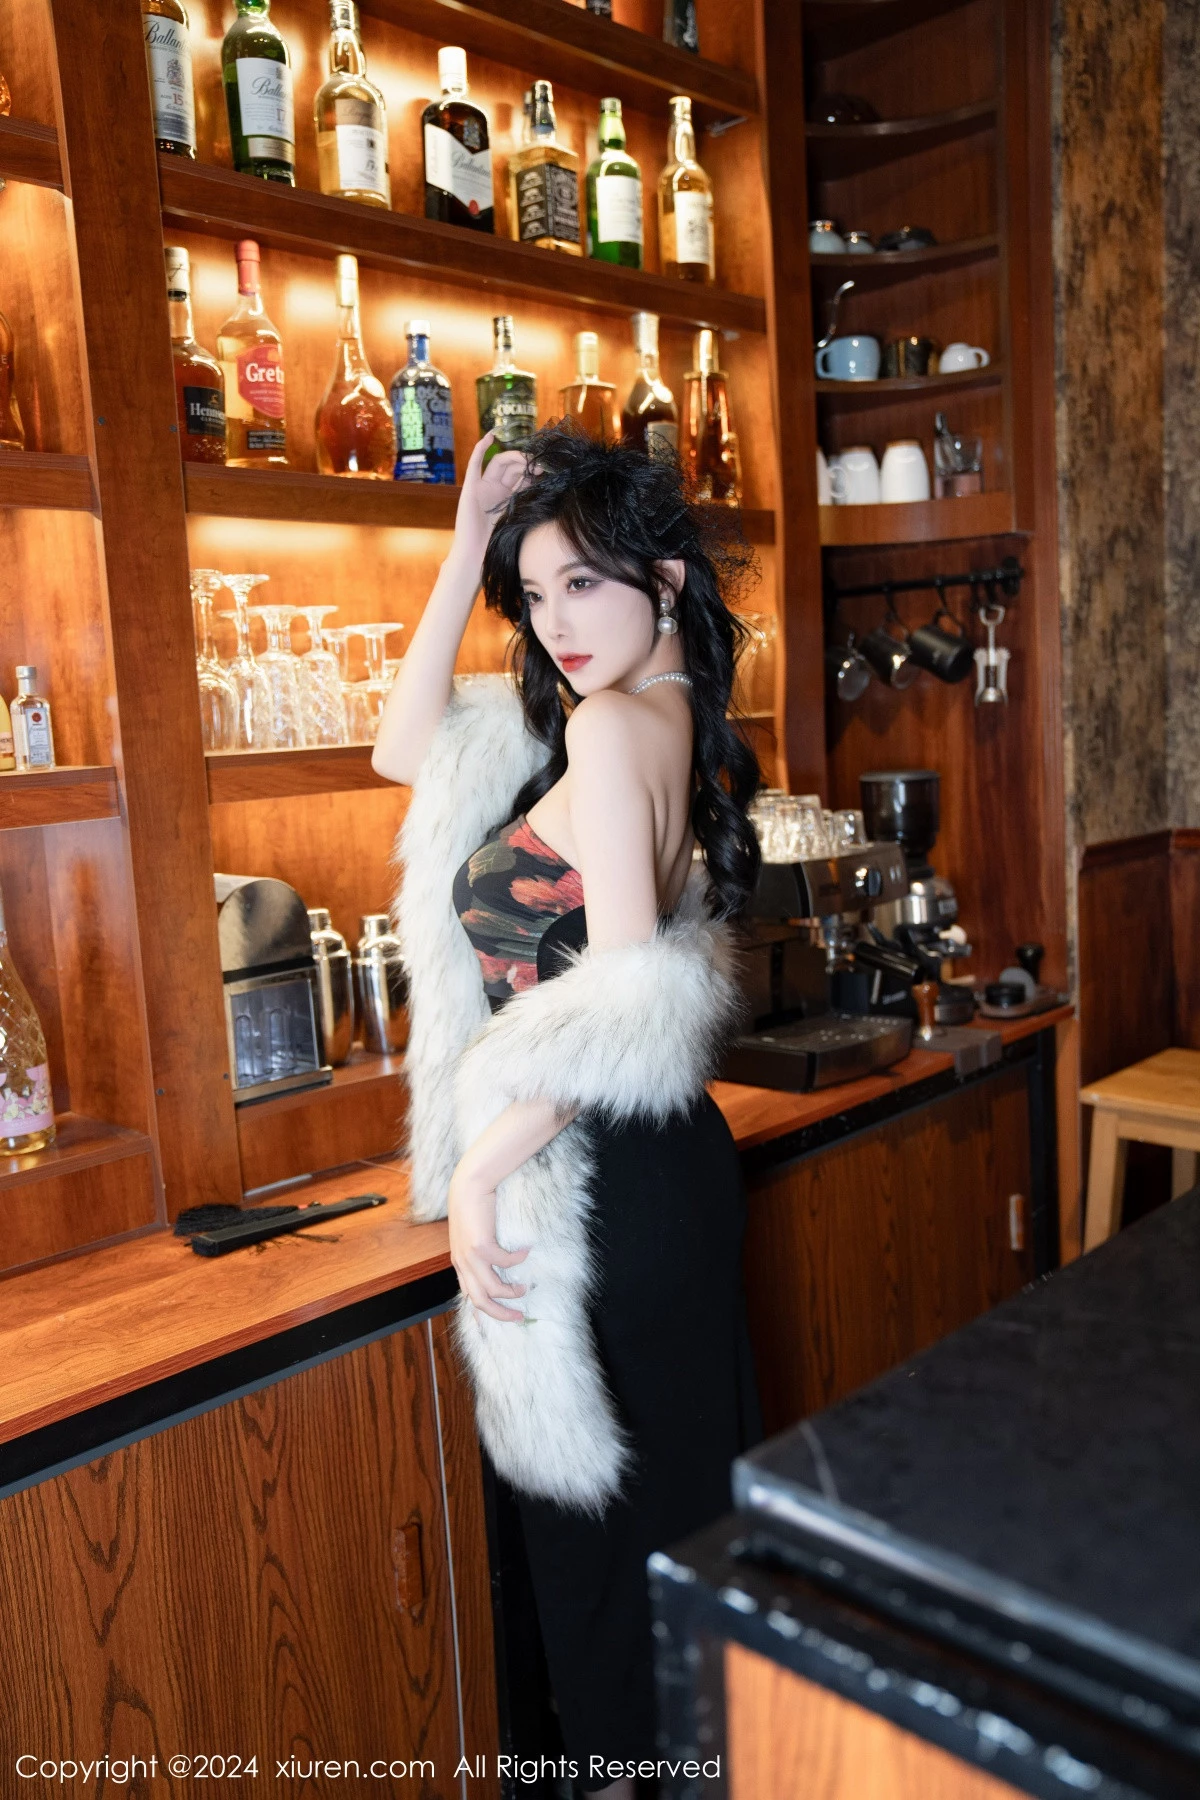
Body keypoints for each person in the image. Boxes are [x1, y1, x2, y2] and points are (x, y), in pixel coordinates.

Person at [372, 422, 765, 1799]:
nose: (556, 623)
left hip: (601, 1184)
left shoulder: (606, 729)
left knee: (605, 1576)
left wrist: (480, 1171)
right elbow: (403, 748)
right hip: (647, 1174)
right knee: (664, 1551)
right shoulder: (646, 715)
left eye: (584, 584)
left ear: (664, 578)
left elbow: (623, 994)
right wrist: (468, 545)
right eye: (535, 596)